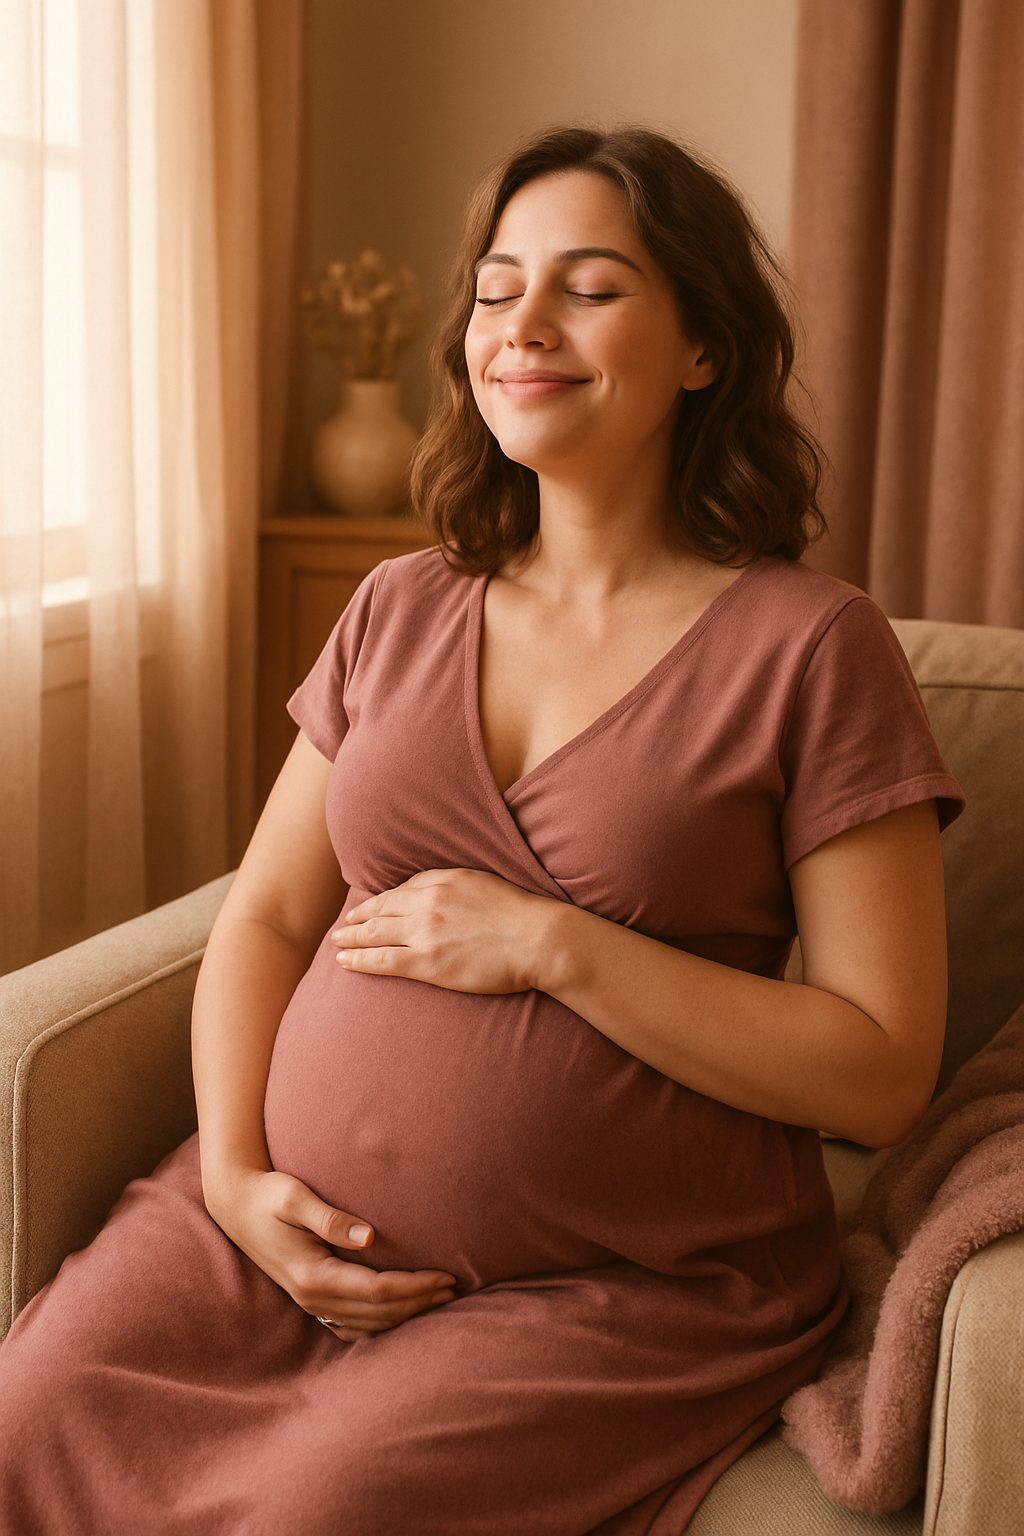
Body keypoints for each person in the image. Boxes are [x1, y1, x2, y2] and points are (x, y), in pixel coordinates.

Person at [0, 122, 966, 1534]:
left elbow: (880, 1071)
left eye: (591, 286)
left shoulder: (814, 648)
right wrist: (235, 1178)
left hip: (615, 1285)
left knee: (318, 1513)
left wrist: (552, 946)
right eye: (498, 289)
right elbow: (266, 916)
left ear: (705, 347)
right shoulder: (398, 605)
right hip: (270, 1227)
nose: (524, 323)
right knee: (26, 1419)